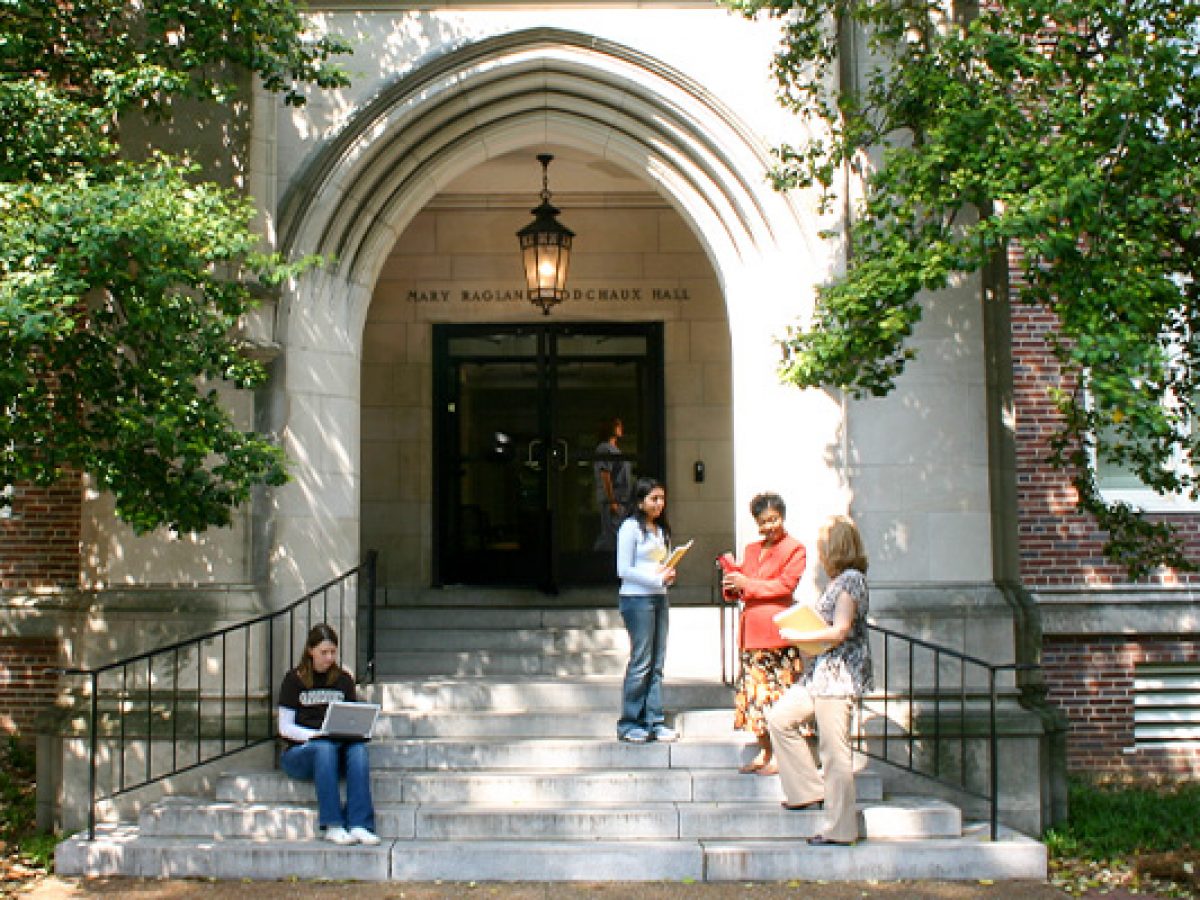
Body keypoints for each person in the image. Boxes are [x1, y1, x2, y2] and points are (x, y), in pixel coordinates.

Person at [767, 514, 874, 846]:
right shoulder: (839, 581)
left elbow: (841, 630)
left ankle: (841, 828)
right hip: (819, 676)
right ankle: (807, 791)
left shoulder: (851, 580)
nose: (821, 554)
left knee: (834, 751)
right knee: (779, 718)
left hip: (838, 678)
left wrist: (798, 634)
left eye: (824, 548)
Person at [720, 492, 808, 775]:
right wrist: (733, 582)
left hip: (778, 633)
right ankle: (764, 749)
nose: (769, 526)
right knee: (755, 697)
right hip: (751, 632)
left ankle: (783, 755)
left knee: (779, 696)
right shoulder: (750, 549)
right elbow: (743, 588)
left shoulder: (795, 549)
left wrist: (749, 583)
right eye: (763, 521)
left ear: (782, 517)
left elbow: (785, 586)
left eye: (774, 519)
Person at [277, 623, 381, 845]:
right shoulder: (294, 680)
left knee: (358, 750)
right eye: (324, 652)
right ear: (310, 651)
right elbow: (285, 728)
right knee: (324, 747)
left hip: (336, 749)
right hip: (301, 753)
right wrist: (316, 736)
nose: (329, 657)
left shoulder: (343, 680)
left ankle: (360, 824)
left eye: (333, 652)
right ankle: (332, 824)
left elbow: (351, 718)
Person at [615, 476, 678, 743]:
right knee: (641, 661)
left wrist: (668, 575)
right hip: (637, 600)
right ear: (640, 502)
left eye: (662, 498)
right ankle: (630, 722)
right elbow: (624, 570)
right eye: (654, 499)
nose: (659, 504)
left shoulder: (660, 530)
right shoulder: (630, 528)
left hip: (659, 598)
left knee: (657, 661)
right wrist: (655, 579)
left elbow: (658, 563)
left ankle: (654, 719)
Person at [594, 416, 633, 551]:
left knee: (616, 534)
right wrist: (612, 501)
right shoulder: (605, 448)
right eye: (618, 425)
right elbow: (605, 475)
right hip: (614, 499)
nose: (620, 428)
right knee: (612, 536)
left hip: (622, 499)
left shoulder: (615, 449)